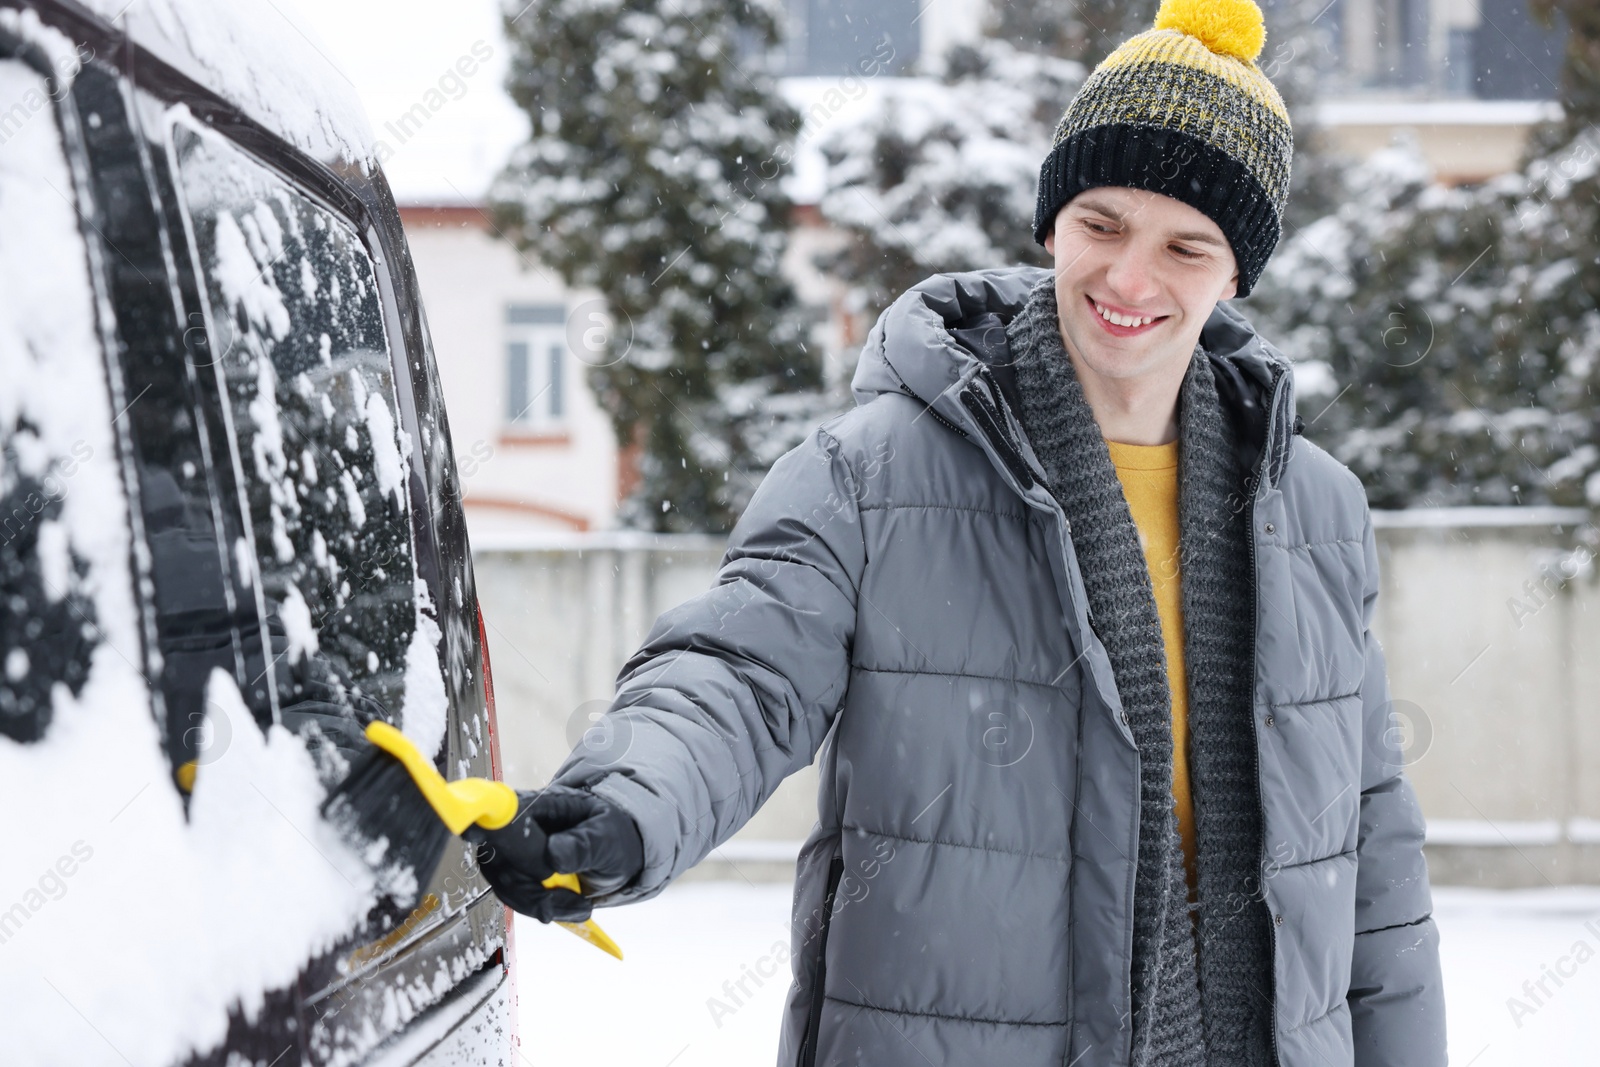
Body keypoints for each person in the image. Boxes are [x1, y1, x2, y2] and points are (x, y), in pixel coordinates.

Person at [469, 0, 1448, 1063]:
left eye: (1186, 245)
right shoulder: (875, 472)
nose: (1128, 279)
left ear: (1235, 273)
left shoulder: (1312, 508)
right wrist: (625, 803)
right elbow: (737, 671)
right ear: (1052, 222)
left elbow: (1371, 859)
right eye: (1102, 224)